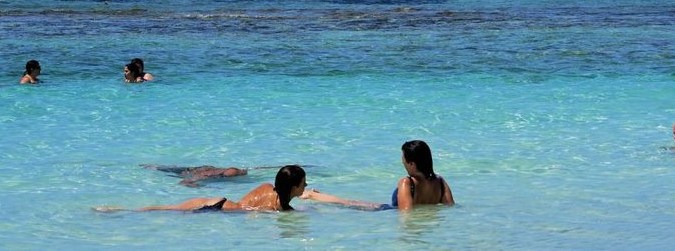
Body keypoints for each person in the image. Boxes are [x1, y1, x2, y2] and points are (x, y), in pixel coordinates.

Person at [132, 165, 379, 212]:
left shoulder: (266, 188)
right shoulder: (282, 208)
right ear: (295, 187)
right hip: (220, 210)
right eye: (303, 183)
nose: (306, 186)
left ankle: (115, 210)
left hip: (219, 202)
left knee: (164, 208)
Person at [392, 140, 454, 210]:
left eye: (404, 162)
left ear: (412, 164)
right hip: (431, 220)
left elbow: (405, 214)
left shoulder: (406, 182)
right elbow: (451, 208)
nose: (404, 165)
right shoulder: (440, 182)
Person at [141, 164, 250, 187]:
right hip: (186, 173)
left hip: (198, 169)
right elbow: (183, 182)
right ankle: (150, 166)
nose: (243, 172)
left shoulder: (232, 170)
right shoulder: (206, 176)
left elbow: (245, 170)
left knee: (170, 167)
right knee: (166, 169)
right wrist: (200, 187)